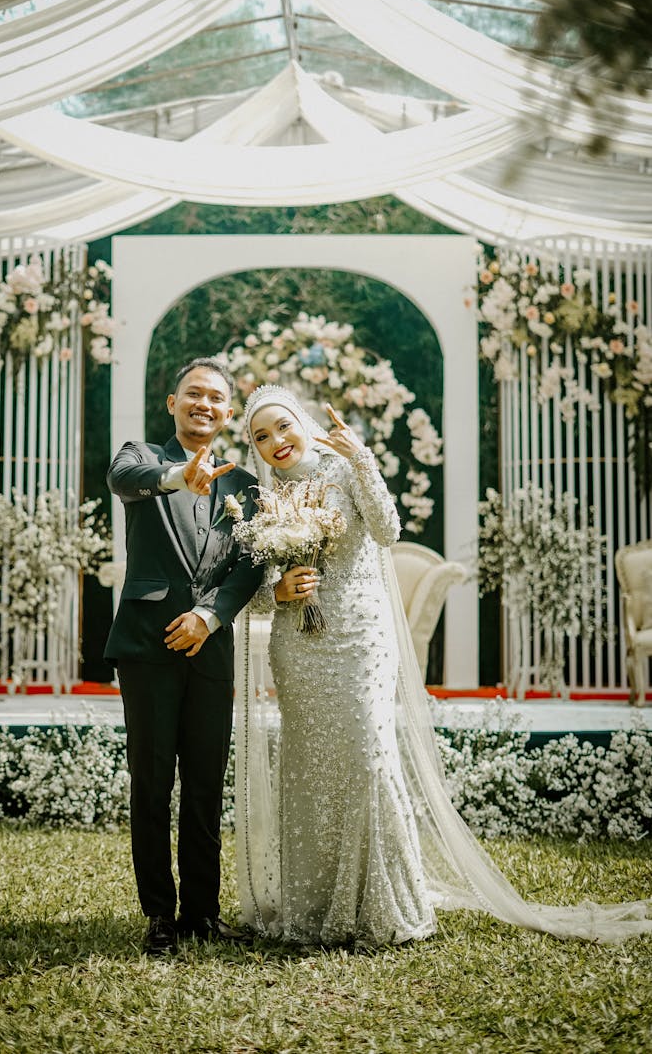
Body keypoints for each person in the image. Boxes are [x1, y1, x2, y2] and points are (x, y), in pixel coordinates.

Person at [235, 384, 652, 947]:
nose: (275, 441)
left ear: (303, 421)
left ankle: (384, 906)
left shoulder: (344, 467)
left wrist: (361, 458)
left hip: (359, 639)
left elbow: (387, 530)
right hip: (299, 648)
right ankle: (314, 908)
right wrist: (279, 590)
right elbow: (249, 591)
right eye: (261, 436)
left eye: (282, 425)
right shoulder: (261, 498)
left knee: (367, 760)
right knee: (309, 772)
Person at [105, 358, 263, 955]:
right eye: (193, 394)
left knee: (203, 786)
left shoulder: (244, 486)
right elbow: (125, 479)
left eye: (216, 398)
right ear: (173, 402)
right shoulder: (142, 458)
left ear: (228, 413)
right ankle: (159, 918)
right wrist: (179, 477)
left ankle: (202, 912)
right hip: (147, 647)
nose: (204, 404)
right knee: (151, 784)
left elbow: (249, 564)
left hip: (209, 646)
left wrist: (210, 615)